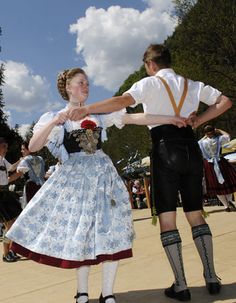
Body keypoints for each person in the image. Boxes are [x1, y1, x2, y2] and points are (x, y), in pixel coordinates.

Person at [66, 44, 232, 301]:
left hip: (165, 150)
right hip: (191, 148)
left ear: (150, 65)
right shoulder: (192, 85)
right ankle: (211, 277)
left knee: (168, 220)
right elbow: (225, 102)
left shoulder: (149, 84)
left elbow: (123, 102)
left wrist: (88, 109)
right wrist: (198, 120)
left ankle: (181, 284)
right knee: (196, 215)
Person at [6, 67, 186, 303]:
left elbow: (133, 118)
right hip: (76, 182)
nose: (86, 87)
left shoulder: (99, 114)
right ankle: (82, 291)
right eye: (81, 83)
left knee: (111, 231)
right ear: (68, 87)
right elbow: (34, 145)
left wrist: (169, 119)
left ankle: (108, 292)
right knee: (83, 234)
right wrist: (54, 123)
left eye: (88, 83)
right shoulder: (55, 117)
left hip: (104, 178)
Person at [198, 125, 236, 212]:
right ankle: (229, 202)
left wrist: (205, 136)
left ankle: (226, 206)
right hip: (220, 161)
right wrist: (219, 129)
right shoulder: (219, 139)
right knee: (227, 183)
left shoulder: (202, 142)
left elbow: (198, 143)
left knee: (216, 185)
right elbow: (228, 136)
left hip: (209, 164)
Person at [0, 137, 22, 262]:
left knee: (12, 223)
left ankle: (11, 251)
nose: (6, 149)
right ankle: (5, 254)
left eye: (6, 147)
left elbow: (12, 168)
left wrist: (21, 160)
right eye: (4, 147)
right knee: (8, 224)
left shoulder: (3, 160)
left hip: (5, 193)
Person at [15, 141, 45, 208]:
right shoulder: (40, 159)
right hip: (42, 186)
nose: (21, 151)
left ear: (29, 149)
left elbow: (19, 173)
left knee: (32, 208)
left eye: (23, 149)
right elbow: (43, 173)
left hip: (31, 187)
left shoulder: (25, 160)